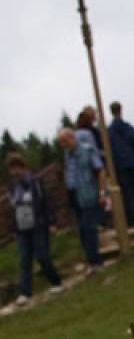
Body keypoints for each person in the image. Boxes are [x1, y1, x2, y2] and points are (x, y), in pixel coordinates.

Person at [6, 152, 63, 303]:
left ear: (22, 166)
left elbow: (45, 202)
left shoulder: (35, 181)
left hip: (38, 223)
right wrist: (13, 228)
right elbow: (12, 208)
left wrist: (51, 222)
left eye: (16, 168)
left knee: (42, 255)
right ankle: (25, 292)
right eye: (12, 169)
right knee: (25, 260)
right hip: (22, 227)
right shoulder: (12, 186)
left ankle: (56, 281)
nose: (14, 172)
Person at [57, 127, 106, 271]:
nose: (63, 145)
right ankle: (91, 259)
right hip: (75, 196)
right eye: (61, 143)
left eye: (65, 141)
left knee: (88, 227)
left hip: (89, 193)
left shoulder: (87, 150)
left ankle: (96, 260)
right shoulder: (67, 155)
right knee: (82, 230)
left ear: (72, 138)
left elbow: (100, 171)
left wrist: (102, 193)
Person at [106, 102, 134, 226]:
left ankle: (131, 221)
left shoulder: (109, 131)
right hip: (132, 163)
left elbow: (108, 149)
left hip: (119, 166)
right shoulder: (128, 127)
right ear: (120, 110)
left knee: (126, 194)